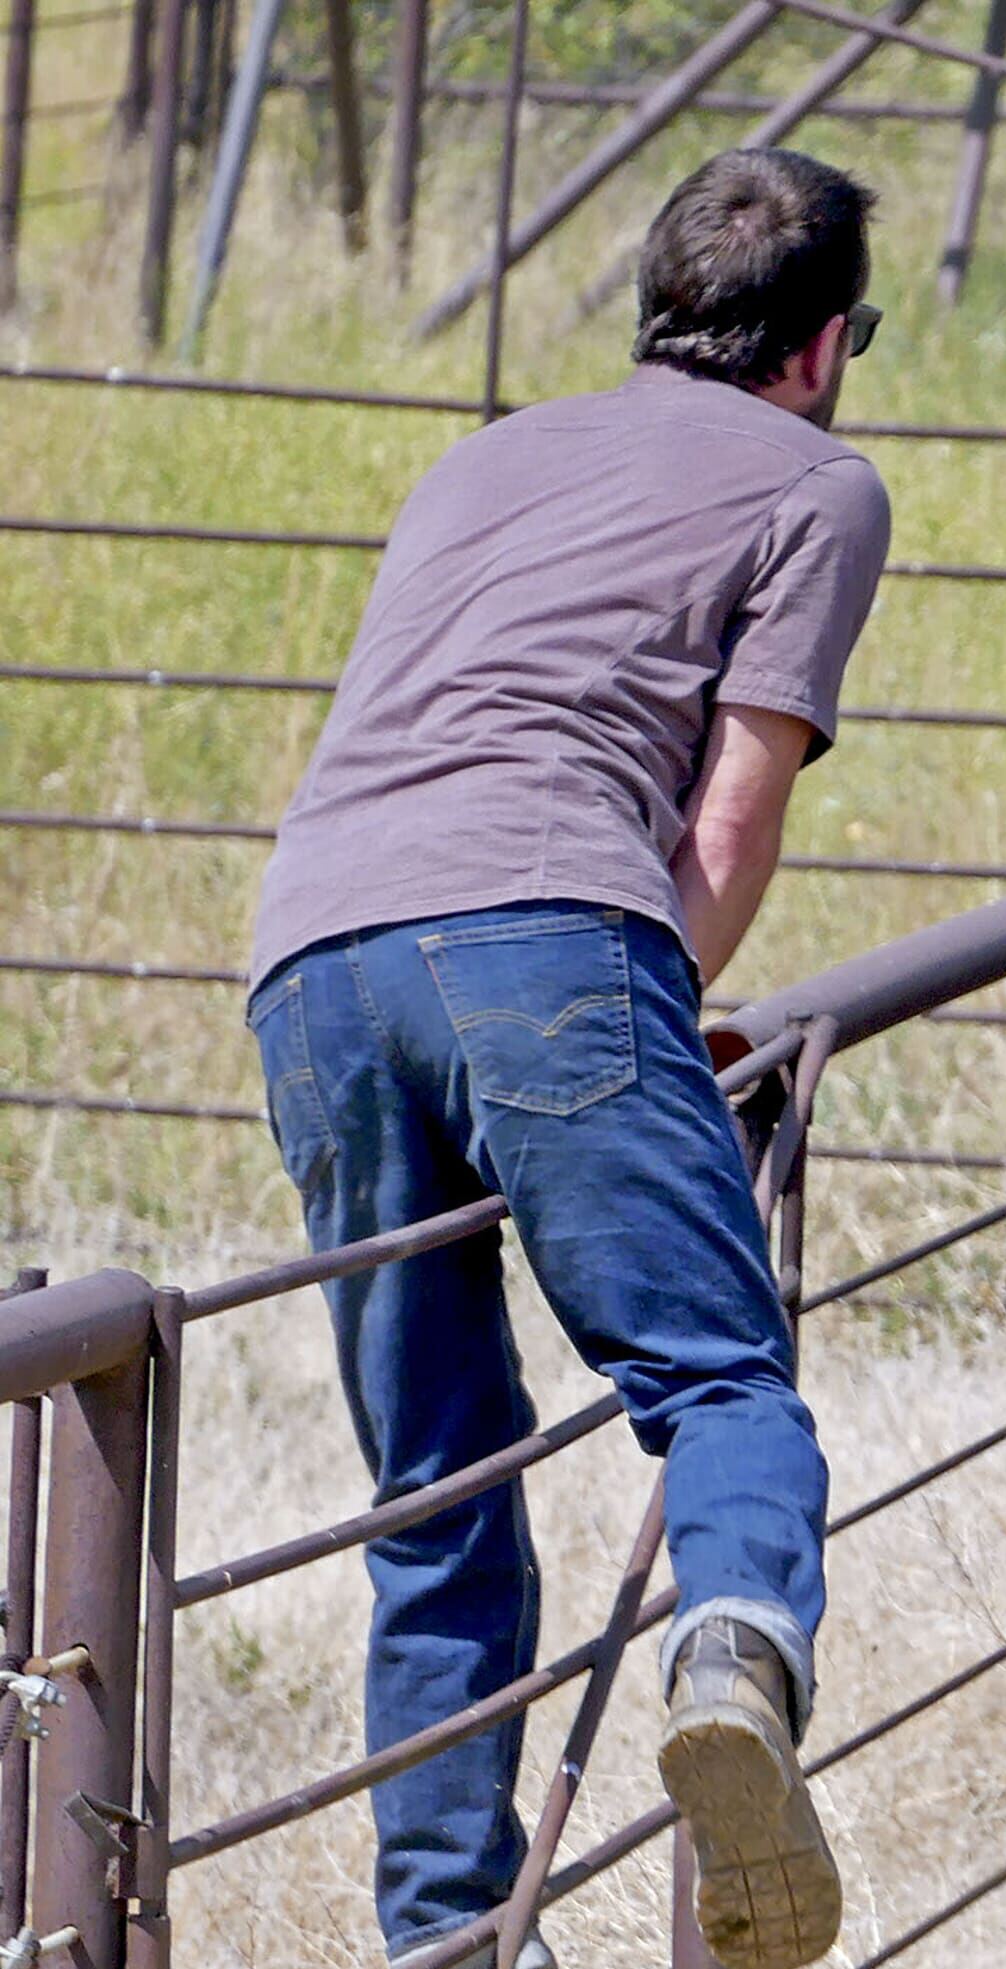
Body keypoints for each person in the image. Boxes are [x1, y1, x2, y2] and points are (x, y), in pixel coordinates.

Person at [242, 149, 890, 1969]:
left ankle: (448, 1936)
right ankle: (740, 1658)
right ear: (827, 342)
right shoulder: (818, 486)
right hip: (548, 934)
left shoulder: (481, 458)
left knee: (436, 1480)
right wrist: (651, 1013)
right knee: (719, 1383)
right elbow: (732, 818)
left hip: (313, 958)